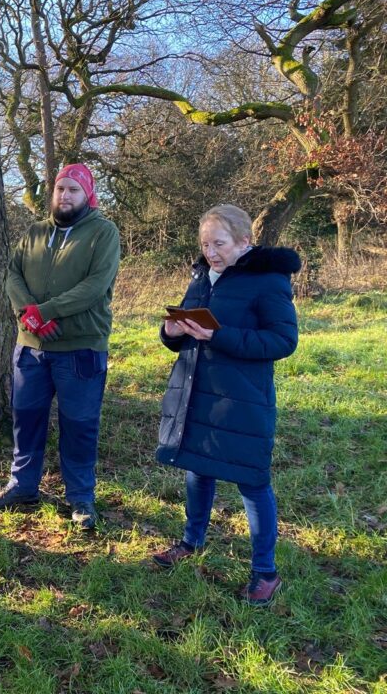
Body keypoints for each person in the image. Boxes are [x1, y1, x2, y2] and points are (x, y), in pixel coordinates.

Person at [151, 204, 300, 607]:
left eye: (219, 243)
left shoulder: (268, 280)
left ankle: (265, 572)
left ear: (244, 242)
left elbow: (283, 341)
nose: (211, 251)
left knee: (253, 482)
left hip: (242, 400)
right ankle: (190, 541)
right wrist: (171, 330)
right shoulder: (201, 276)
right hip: (198, 392)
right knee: (198, 470)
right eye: (205, 243)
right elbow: (186, 333)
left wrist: (219, 336)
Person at [0, 163, 120, 529]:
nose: (65, 195)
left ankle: (81, 498)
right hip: (30, 349)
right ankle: (22, 485)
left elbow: (95, 287)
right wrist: (26, 314)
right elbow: (12, 273)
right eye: (60, 189)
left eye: (73, 189)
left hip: (81, 349)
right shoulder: (34, 232)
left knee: (79, 424)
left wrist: (45, 311)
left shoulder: (103, 233)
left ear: (86, 194)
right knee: (26, 420)